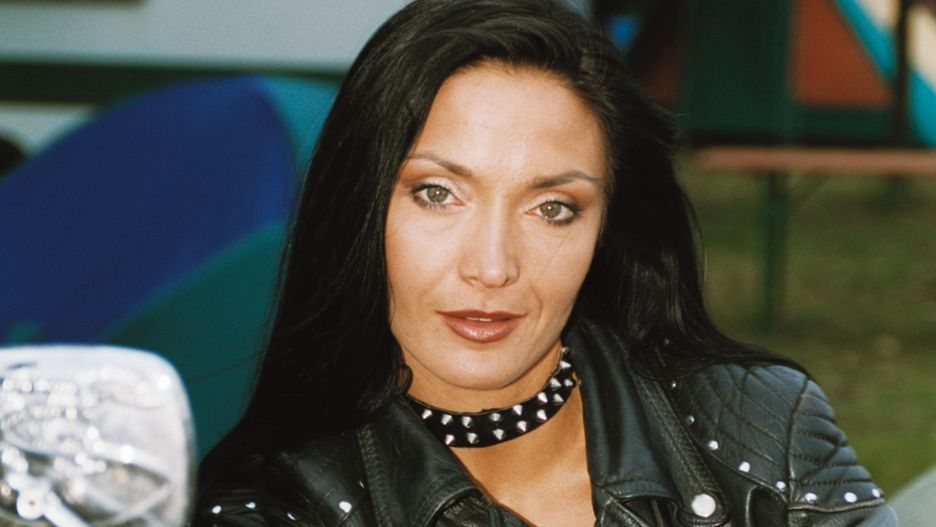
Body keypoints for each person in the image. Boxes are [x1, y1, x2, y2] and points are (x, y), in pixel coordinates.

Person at [194, 1, 896, 525]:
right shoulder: (277, 506)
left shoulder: (759, 426)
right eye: (438, 194)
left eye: (552, 207)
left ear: (607, 229)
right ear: (361, 208)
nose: (492, 266)